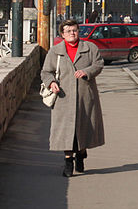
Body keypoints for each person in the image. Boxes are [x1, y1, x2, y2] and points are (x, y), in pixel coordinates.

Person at [40, 19, 105, 177]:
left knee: (83, 129)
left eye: (74, 30)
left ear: (78, 31)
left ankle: (81, 155)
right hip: (63, 98)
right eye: (68, 31)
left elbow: (99, 64)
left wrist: (87, 72)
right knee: (66, 131)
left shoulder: (89, 48)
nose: (72, 33)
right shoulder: (55, 51)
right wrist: (51, 83)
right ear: (62, 34)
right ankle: (68, 162)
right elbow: (46, 72)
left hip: (85, 97)